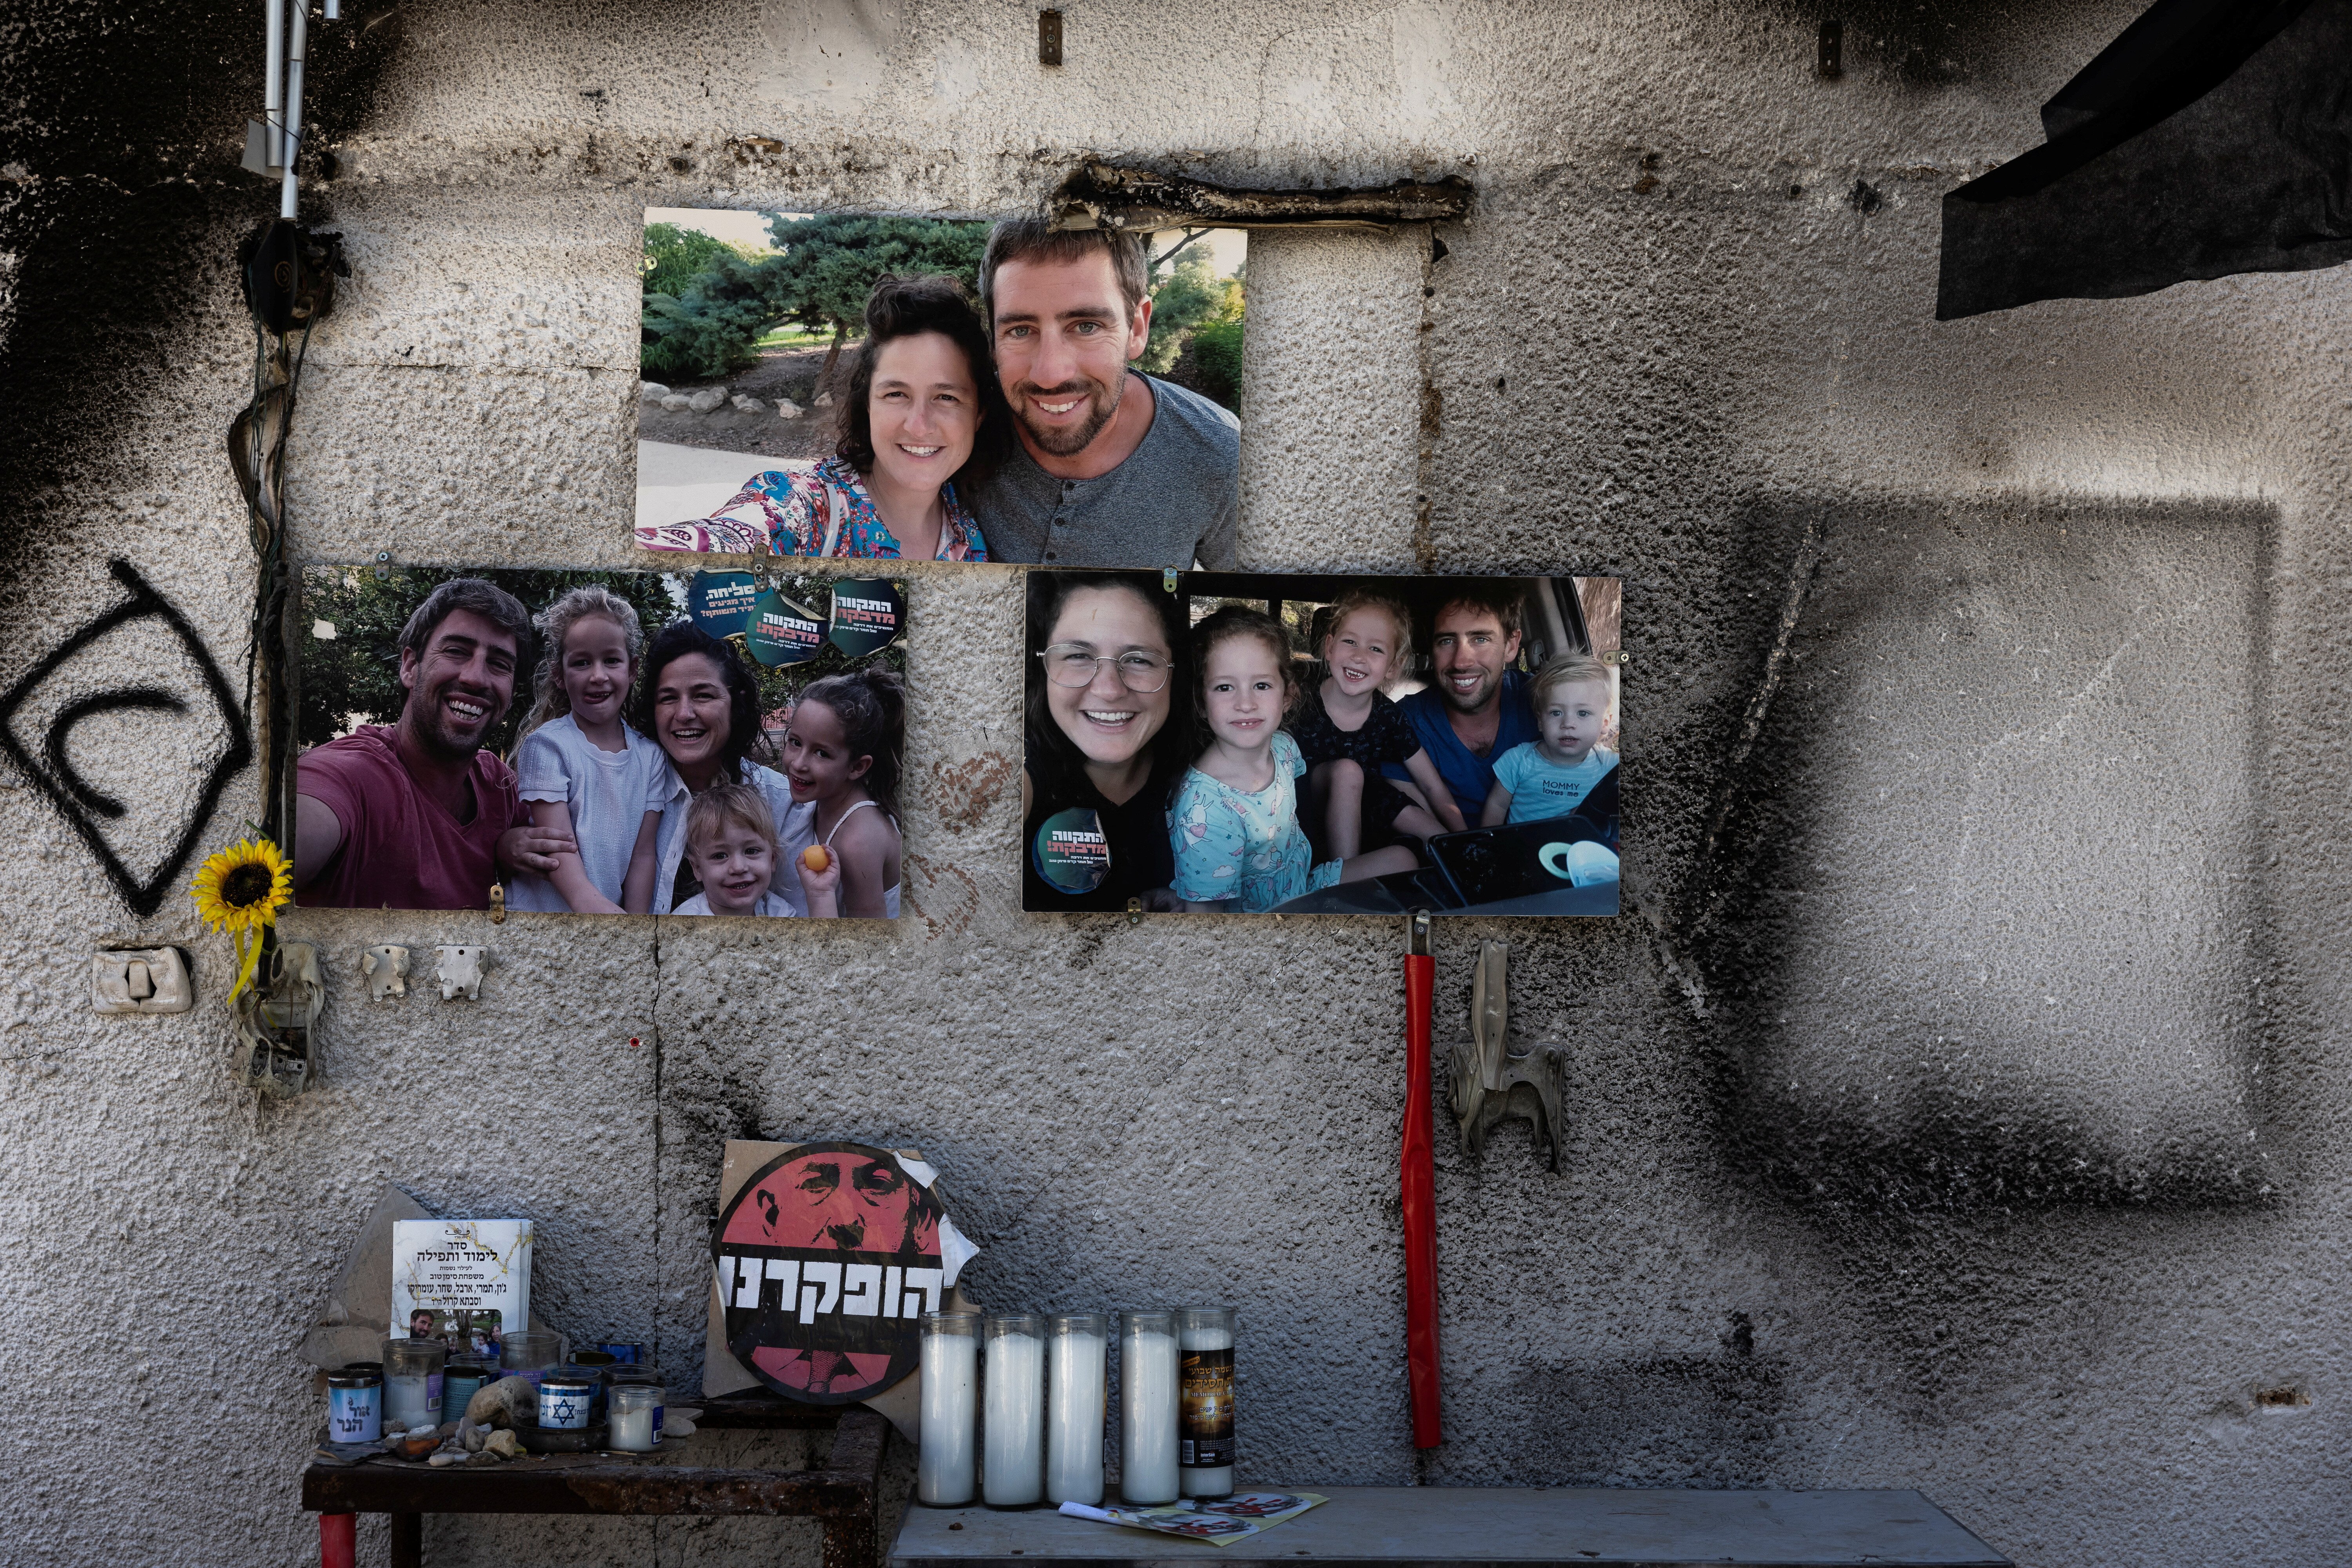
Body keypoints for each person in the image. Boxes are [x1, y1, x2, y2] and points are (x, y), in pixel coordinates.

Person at [636, 276, 1004, 561]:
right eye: (896, 394)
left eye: (946, 397)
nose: (919, 424)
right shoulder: (809, 506)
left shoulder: (972, 517)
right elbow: (740, 532)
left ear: (978, 415)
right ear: (867, 406)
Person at [967, 220, 1238, 569]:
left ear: (1136, 328)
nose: (1050, 375)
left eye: (1086, 327)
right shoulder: (959, 424)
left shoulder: (1223, 458)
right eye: (1020, 331)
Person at [294, 578, 574, 909]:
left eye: (499, 664)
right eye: (456, 651)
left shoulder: (498, 786)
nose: (476, 677)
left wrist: (504, 847)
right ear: (411, 667)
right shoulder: (350, 775)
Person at [1169, 607, 1419, 913]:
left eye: (1262, 686)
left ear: (1287, 696)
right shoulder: (1202, 807)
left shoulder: (1285, 748)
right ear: (1202, 703)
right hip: (1262, 921)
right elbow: (1206, 922)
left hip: (1303, 884)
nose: (1245, 703)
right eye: (1224, 687)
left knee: (1405, 860)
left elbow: (1304, 821)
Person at [1020, 572, 1194, 911]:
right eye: (1078, 656)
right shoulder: (1017, 775)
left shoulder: (1207, 777)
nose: (1110, 690)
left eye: (1140, 660)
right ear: (1042, 668)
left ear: (1175, 674)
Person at [502, 586, 671, 915]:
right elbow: (557, 844)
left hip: (609, 921)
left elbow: (643, 855)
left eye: (611, 660)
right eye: (581, 663)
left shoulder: (651, 757)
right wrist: (588, 903)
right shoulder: (547, 745)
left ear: (632, 669)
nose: (598, 676)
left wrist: (635, 927)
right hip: (543, 919)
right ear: (560, 675)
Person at [633, 621, 816, 915]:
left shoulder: (784, 805)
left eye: (703, 695)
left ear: (735, 703)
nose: (684, 714)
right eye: (668, 698)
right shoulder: (631, 792)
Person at [1290, 590, 1467, 858]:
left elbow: (1431, 785)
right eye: (1350, 641)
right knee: (1349, 772)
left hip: (1366, 806)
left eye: (1375, 649)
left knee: (1429, 833)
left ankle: (1463, 855)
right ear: (1329, 648)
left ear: (1394, 666)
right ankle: (1346, 878)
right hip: (1304, 805)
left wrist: (1465, 835)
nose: (1359, 656)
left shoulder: (1389, 715)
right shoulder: (1299, 700)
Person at [1380, 590, 1541, 816]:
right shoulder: (1406, 722)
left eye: (1481, 639)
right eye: (1446, 641)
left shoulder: (1546, 702)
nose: (1461, 662)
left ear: (1511, 646)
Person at [782, 669, 906, 918]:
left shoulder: (857, 842)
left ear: (857, 767)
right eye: (795, 742)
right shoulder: (826, 799)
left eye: (822, 754)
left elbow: (868, 940)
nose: (799, 764)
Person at [1482, 652, 1619, 825]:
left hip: (1580, 851)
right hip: (1525, 849)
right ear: (1540, 721)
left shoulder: (1609, 766)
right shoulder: (1518, 761)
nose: (1568, 723)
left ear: (1605, 723)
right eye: (1556, 713)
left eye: (1583, 713)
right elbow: (1497, 806)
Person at [673, 781, 840, 917]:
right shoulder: (685, 922)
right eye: (720, 856)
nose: (738, 868)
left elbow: (823, 954)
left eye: (751, 851)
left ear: (772, 859)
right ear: (697, 869)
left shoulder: (779, 915)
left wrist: (821, 895)